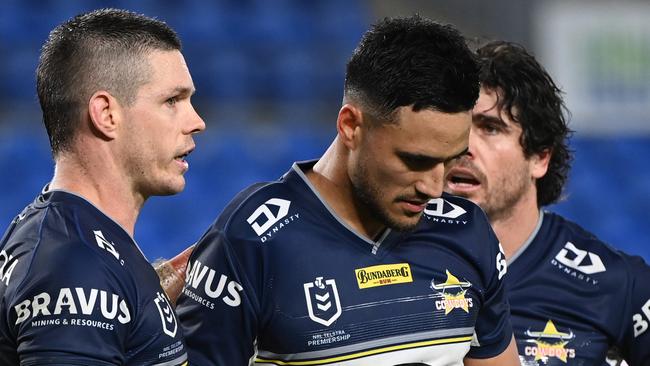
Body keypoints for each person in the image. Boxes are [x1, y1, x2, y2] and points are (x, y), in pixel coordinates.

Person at [173, 15, 519, 366]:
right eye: (415, 160)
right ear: (351, 125)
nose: (434, 186)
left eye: (450, 162)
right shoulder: (254, 239)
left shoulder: (467, 231)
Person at [0, 8, 205, 365]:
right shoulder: (74, 267)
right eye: (172, 101)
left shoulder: (74, 238)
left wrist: (163, 285)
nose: (197, 121)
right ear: (107, 114)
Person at [444, 40, 650, 365]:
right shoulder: (386, 261)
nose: (463, 145)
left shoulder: (619, 285)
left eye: (490, 128)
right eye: (454, 127)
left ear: (540, 158)